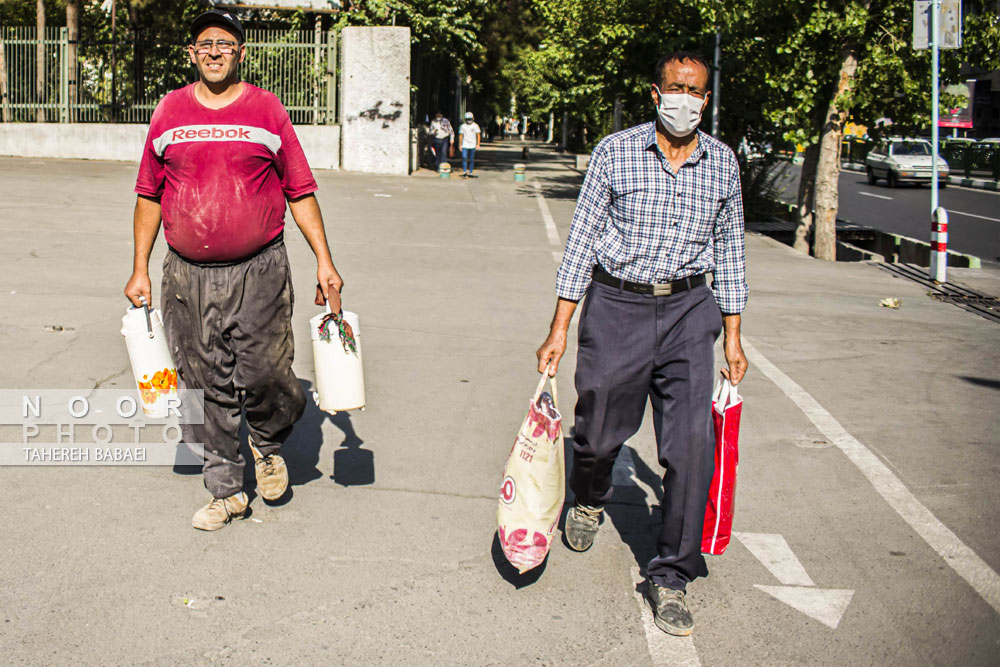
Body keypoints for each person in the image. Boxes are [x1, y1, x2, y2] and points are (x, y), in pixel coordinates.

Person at [535, 51, 748, 636]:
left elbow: (729, 252)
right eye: (677, 88)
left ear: (706, 100)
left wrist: (732, 336)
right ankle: (590, 493)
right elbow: (580, 242)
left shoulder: (723, 164)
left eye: (697, 91)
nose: (686, 99)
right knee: (599, 434)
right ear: (657, 94)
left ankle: (672, 573)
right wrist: (560, 327)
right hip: (617, 306)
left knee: (689, 450)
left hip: (689, 311)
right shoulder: (616, 151)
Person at [124, 9, 347, 531]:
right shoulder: (169, 111)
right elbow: (148, 195)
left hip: (260, 269)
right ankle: (225, 488)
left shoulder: (267, 110)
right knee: (202, 381)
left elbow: (300, 189)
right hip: (186, 275)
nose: (215, 51)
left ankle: (267, 442)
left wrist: (325, 260)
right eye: (205, 43)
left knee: (266, 373)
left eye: (225, 43)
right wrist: (139, 268)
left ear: (241, 52)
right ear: (192, 53)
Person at [458, 111, 481, 178]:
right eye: (467, 119)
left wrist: (478, 144)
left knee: (471, 159)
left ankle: (470, 172)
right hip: (465, 144)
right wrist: (460, 144)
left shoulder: (475, 126)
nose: (469, 120)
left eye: (470, 119)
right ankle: (464, 171)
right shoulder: (462, 126)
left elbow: (478, 135)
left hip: (473, 145)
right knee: (464, 157)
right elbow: (461, 135)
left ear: (473, 118)